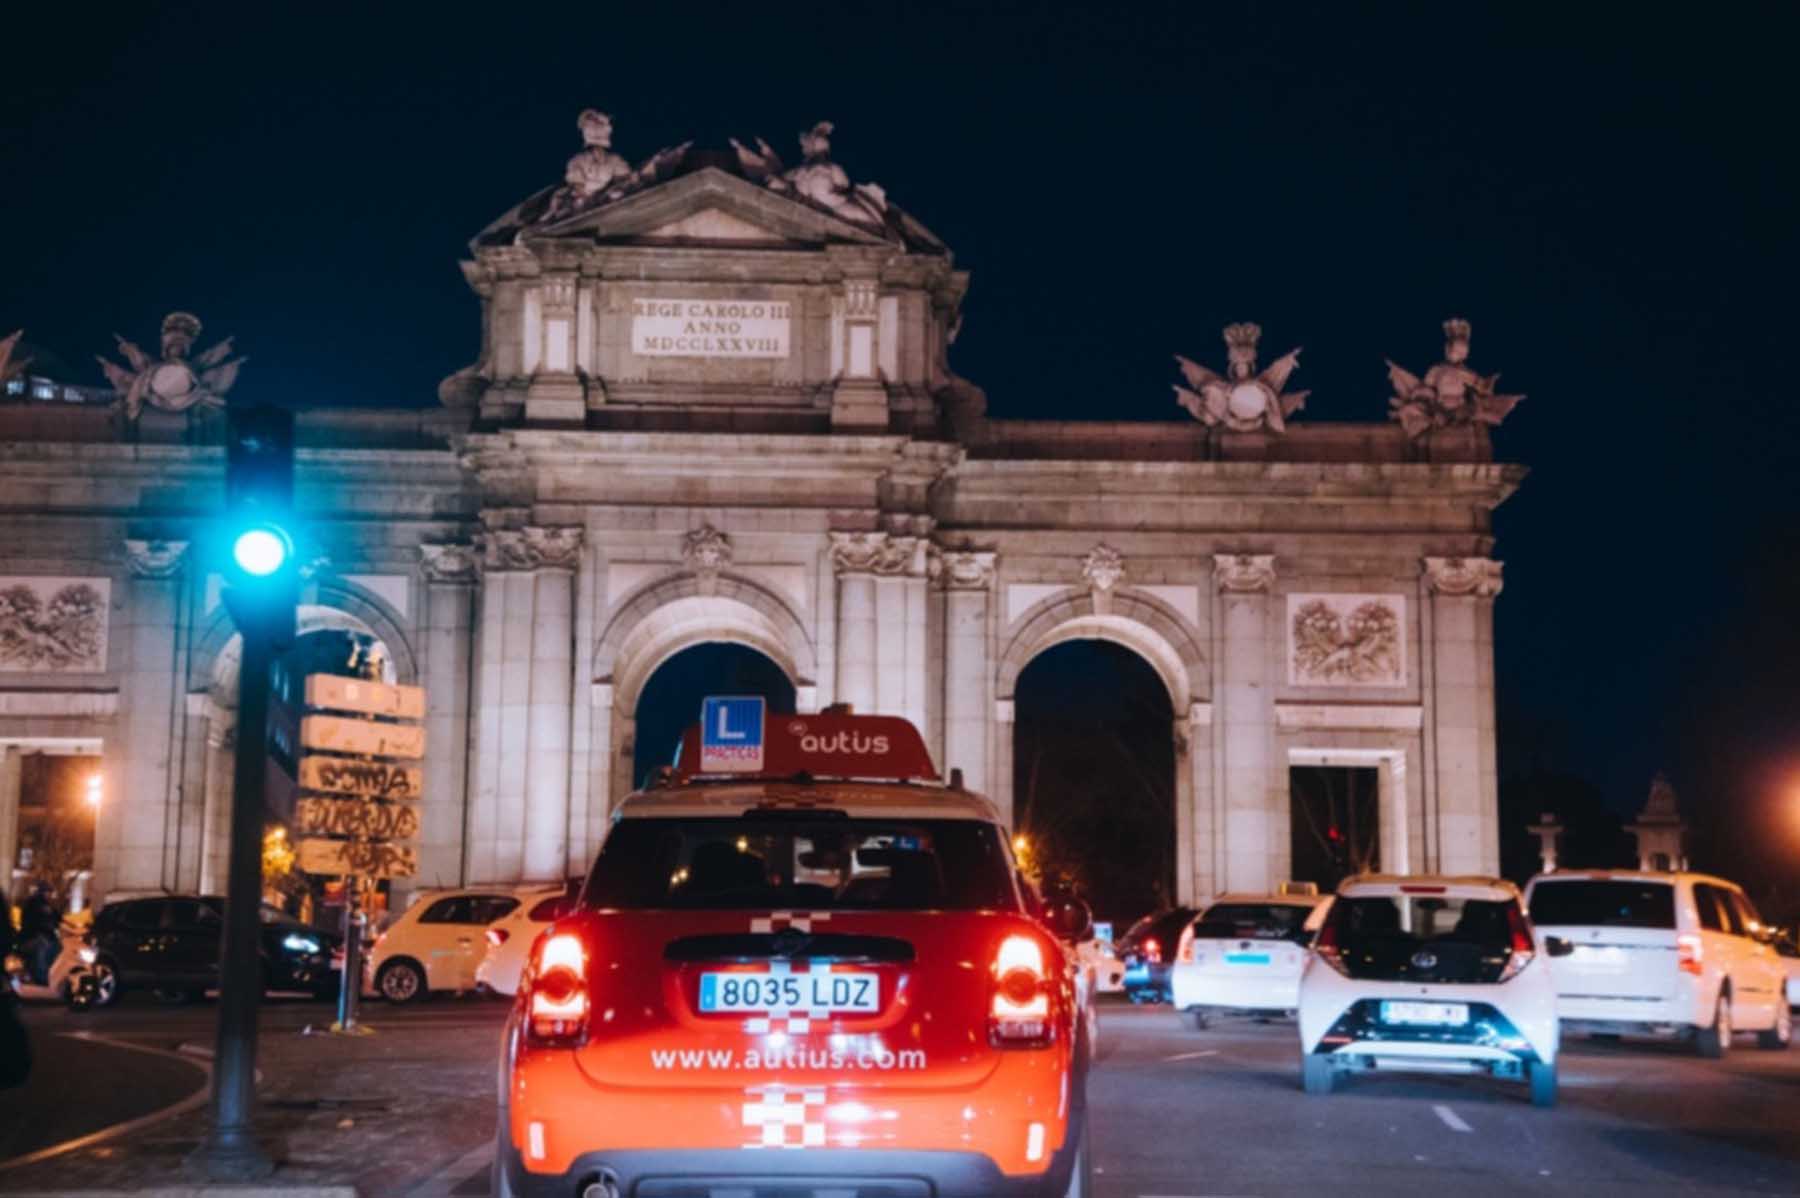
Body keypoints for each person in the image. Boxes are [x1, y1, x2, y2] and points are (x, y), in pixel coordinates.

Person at [19, 884, 59, 986]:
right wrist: (45, 925)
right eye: (48, 892)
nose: (50, 895)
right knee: (42, 947)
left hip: (45, 935)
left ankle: (54, 974)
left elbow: (58, 918)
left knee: (57, 947)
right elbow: (31, 921)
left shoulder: (48, 905)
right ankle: (41, 976)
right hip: (32, 936)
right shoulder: (34, 904)